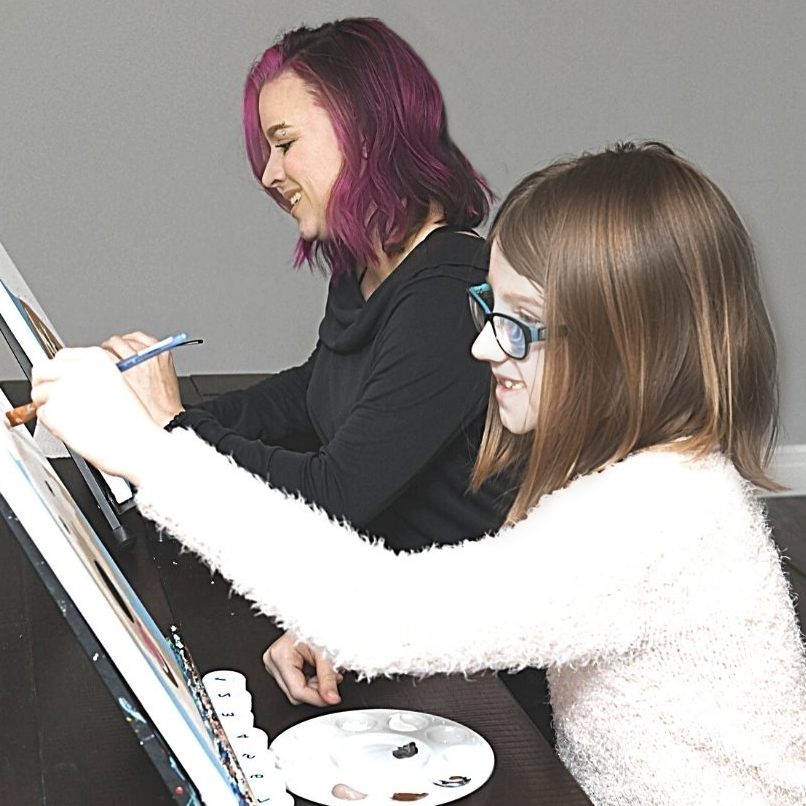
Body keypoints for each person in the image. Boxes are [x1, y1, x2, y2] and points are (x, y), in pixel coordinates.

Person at [32, 141, 806, 805]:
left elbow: (384, 614)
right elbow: (487, 601)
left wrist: (149, 452)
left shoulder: (656, 515)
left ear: (627, 345)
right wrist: (344, 620)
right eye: (489, 309)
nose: (483, 349)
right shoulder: (639, 479)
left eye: (521, 327)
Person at [98, 17, 540, 715]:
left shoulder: (448, 293)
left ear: (366, 132)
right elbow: (314, 395)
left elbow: (337, 494)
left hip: (475, 675)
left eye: (284, 144)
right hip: (383, 613)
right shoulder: (369, 269)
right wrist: (157, 418)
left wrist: (173, 429)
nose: (269, 175)